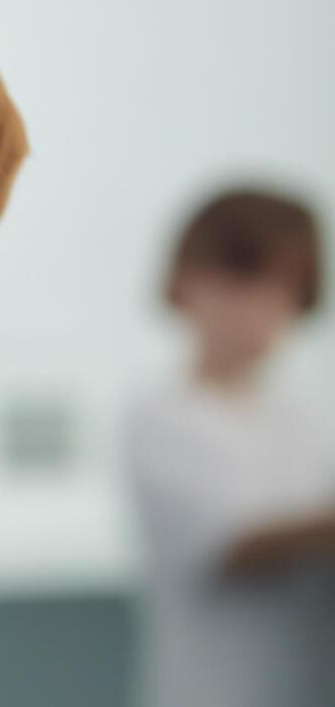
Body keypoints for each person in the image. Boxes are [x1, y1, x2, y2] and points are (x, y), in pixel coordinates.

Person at [126, 188, 335, 707]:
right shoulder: (163, 418)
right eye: (244, 280)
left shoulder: (305, 420)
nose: (263, 305)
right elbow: (230, 548)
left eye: (284, 288)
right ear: (186, 283)